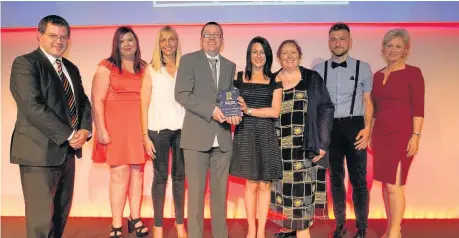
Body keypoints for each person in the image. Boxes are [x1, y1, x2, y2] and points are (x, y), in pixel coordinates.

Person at [9, 15, 92, 238]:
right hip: (38, 154)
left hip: (67, 153)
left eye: (64, 37)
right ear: (39, 35)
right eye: (53, 35)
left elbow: (83, 102)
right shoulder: (25, 63)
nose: (59, 41)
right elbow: (32, 107)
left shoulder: (71, 68)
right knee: (40, 222)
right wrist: (69, 134)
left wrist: (85, 130)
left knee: (59, 217)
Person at [174, 21, 241, 238]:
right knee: (195, 198)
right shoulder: (188, 60)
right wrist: (211, 110)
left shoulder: (230, 65)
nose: (212, 38)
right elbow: (182, 94)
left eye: (217, 35)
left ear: (222, 40)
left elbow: (228, 98)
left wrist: (234, 113)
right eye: (207, 35)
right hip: (195, 139)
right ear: (201, 38)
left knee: (219, 198)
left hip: (222, 139)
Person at [312, 22, 373, 238]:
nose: (338, 43)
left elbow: (368, 102)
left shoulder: (363, 67)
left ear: (350, 41)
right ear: (329, 42)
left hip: (354, 127)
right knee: (336, 178)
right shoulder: (319, 70)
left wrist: (368, 130)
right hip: (329, 129)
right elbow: (316, 104)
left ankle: (362, 227)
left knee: (358, 179)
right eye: (334, 39)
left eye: (342, 39)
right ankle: (340, 224)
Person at [271, 40, 335, 238]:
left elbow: (326, 108)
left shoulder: (312, 78)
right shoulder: (271, 80)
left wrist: (322, 144)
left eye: (293, 52)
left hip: (306, 147)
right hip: (279, 150)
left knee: (302, 193)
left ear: (299, 55)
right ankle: (291, 229)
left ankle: (303, 232)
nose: (289, 56)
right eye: (284, 53)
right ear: (278, 57)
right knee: (284, 192)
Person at [91, 26, 148, 238]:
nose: (127, 44)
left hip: (139, 128)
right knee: (119, 174)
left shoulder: (145, 67)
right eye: (122, 40)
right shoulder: (106, 67)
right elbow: (97, 100)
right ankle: (116, 223)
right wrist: (101, 129)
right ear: (116, 44)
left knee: (138, 173)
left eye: (130, 40)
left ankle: (135, 217)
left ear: (136, 42)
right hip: (114, 128)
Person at [371, 28, 425, 238]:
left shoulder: (413, 72)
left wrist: (416, 136)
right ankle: (391, 227)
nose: (393, 50)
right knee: (386, 184)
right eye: (389, 45)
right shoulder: (377, 76)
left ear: (405, 50)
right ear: (383, 48)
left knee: (395, 185)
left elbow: (418, 107)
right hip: (380, 135)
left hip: (402, 135)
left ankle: (395, 231)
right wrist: (370, 133)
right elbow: (374, 110)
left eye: (398, 46)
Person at [229, 36, 282, 238]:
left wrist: (248, 109)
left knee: (264, 184)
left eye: (262, 52)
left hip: (266, 135)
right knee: (251, 184)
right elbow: (230, 105)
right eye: (254, 52)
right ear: (249, 55)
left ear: (267, 55)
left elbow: (274, 112)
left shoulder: (274, 80)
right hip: (245, 134)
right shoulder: (238, 77)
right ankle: (252, 230)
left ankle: (261, 231)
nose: (258, 56)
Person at [140, 25, 187, 238]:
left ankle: (179, 224)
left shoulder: (186, 68)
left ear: (177, 43)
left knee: (179, 178)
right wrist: (144, 136)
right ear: (158, 44)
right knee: (159, 179)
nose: (167, 43)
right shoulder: (150, 70)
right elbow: (143, 104)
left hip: (182, 130)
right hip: (157, 132)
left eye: (171, 39)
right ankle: (158, 226)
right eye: (163, 40)